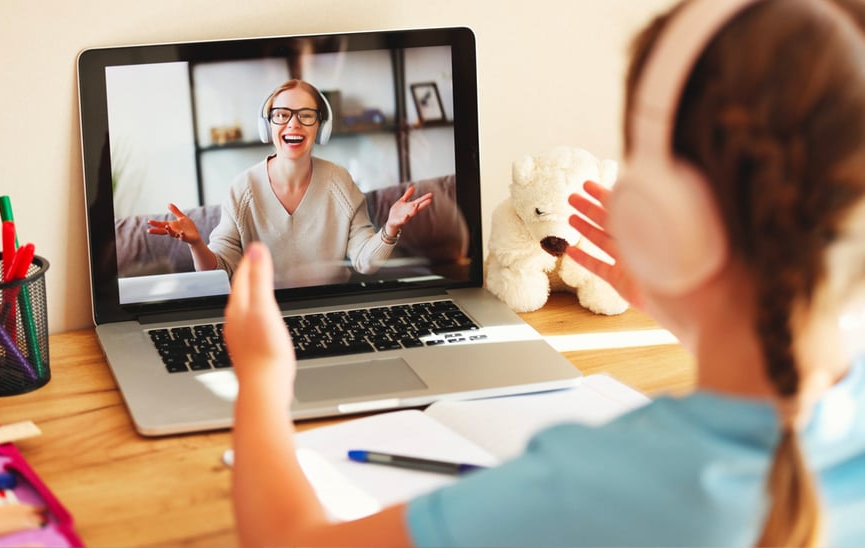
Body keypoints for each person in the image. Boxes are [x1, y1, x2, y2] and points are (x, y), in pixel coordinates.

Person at [223, 1, 865, 546]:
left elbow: (287, 538)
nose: (292, 125)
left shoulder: (594, 486)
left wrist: (261, 378)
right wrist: (675, 297)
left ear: (656, 210)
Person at [147, 79, 433, 288]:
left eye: (306, 116)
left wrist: (390, 228)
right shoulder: (242, 188)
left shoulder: (340, 181)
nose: (293, 125)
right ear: (267, 125)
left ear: (321, 126)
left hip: (332, 307)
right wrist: (197, 244)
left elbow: (364, 262)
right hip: (264, 317)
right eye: (282, 115)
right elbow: (219, 273)